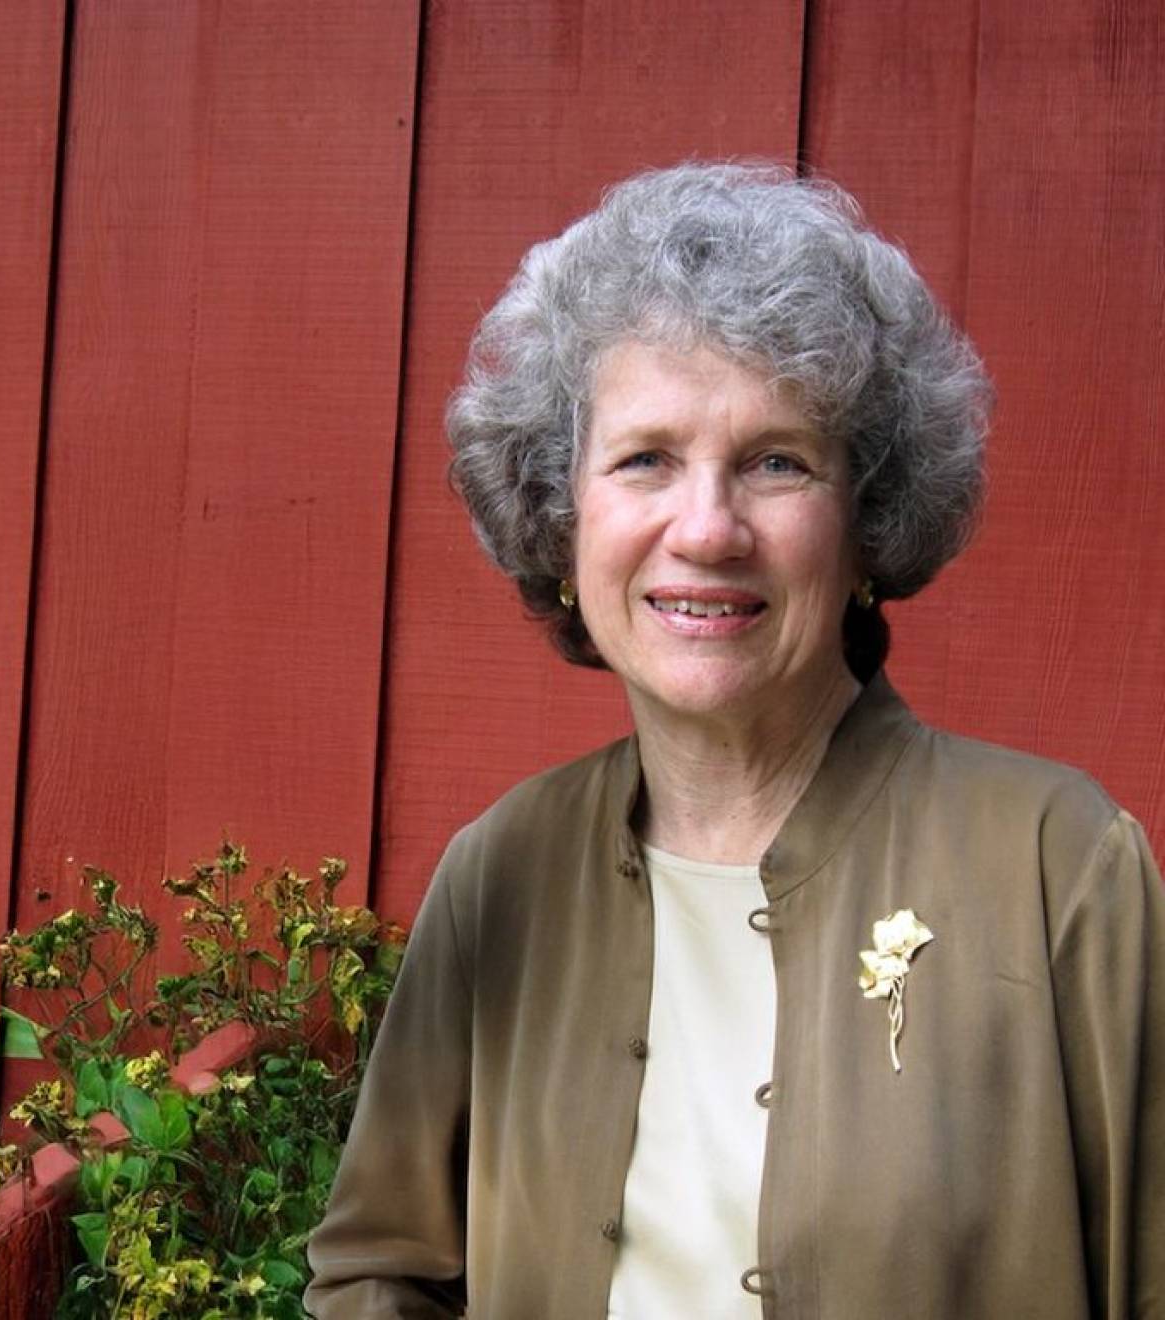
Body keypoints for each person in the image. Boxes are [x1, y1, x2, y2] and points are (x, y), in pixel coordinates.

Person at [304, 162, 1164, 1318]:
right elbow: (376, 1272)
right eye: (645, 457)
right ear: (565, 523)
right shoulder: (498, 875)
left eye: (777, 461)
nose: (706, 528)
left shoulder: (1064, 870)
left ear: (866, 524)